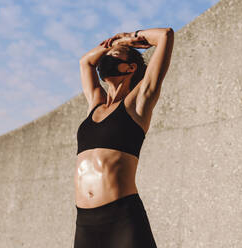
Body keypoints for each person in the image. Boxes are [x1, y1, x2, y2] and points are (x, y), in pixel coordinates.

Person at [74, 27, 174, 248]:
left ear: (130, 67)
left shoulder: (137, 103)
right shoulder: (95, 103)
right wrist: (111, 45)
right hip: (85, 223)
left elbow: (165, 35)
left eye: (114, 56)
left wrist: (128, 39)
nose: (106, 58)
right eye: (107, 55)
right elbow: (85, 62)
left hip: (122, 219)